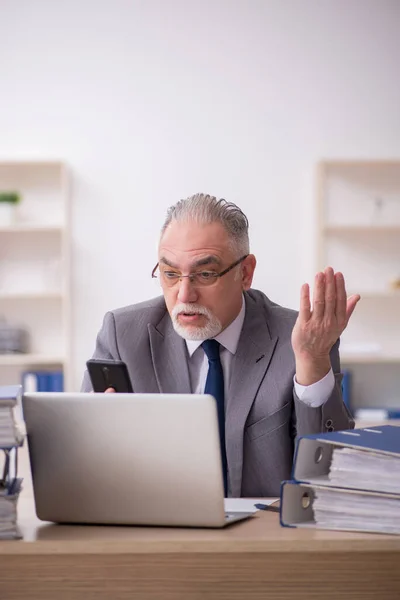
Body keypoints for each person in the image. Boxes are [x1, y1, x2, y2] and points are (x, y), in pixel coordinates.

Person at [82, 193, 360, 497]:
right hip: (157, 530)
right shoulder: (123, 336)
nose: (184, 294)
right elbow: (84, 465)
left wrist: (312, 363)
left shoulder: (303, 339)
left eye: (205, 274)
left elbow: (325, 475)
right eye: (170, 274)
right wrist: (97, 437)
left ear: (245, 273)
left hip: (264, 536)